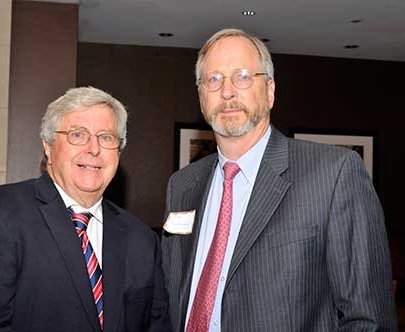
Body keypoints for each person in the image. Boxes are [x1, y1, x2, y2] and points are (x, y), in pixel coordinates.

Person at [161, 28, 397, 331]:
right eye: (214, 79)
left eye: (243, 76)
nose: (228, 91)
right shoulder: (182, 185)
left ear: (270, 91)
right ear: (201, 97)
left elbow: (370, 320)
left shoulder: (333, 173)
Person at [0, 87, 170, 332]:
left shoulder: (142, 239)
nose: (94, 149)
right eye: (78, 134)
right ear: (48, 146)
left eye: (106, 137)